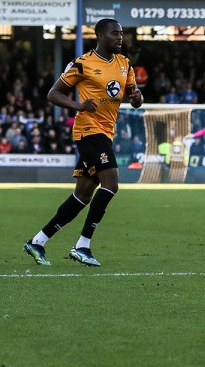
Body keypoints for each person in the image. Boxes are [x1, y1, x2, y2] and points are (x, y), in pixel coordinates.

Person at [23, 18, 143, 267]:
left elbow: (134, 99)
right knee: (111, 184)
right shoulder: (83, 63)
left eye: (121, 33)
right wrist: (78, 105)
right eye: (115, 33)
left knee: (83, 195)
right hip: (88, 131)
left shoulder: (125, 64)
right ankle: (83, 245)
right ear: (100, 35)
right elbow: (53, 93)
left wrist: (137, 97)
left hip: (106, 132)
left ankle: (38, 241)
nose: (120, 37)